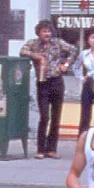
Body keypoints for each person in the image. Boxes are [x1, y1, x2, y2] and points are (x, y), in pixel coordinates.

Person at [20, 20, 77, 159]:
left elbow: (74, 50)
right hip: (42, 83)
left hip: (57, 81)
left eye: (49, 31)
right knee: (44, 116)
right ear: (39, 32)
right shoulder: (33, 44)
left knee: (56, 117)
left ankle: (52, 149)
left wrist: (67, 64)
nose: (47, 34)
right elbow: (22, 51)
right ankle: (40, 149)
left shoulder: (57, 43)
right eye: (44, 31)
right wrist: (37, 56)